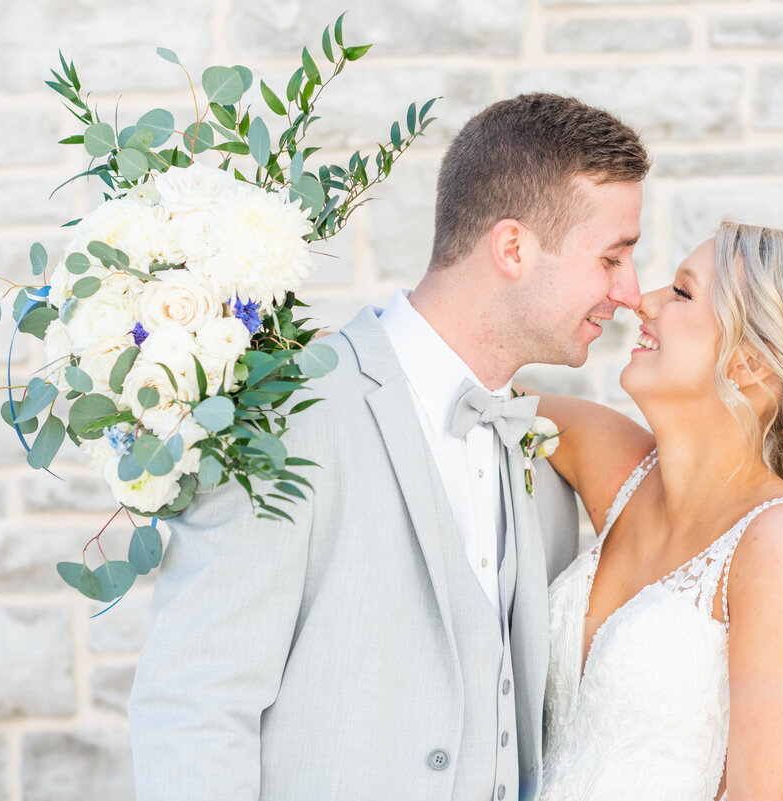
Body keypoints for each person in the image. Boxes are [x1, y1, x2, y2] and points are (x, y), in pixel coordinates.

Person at [128, 93, 650, 801]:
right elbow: (195, 705)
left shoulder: (543, 452)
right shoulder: (286, 415)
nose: (630, 292)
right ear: (513, 248)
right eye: (612, 257)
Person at [526, 220, 783, 801]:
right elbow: (468, 394)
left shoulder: (782, 545)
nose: (643, 301)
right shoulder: (615, 462)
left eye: (682, 292)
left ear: (751, 362)